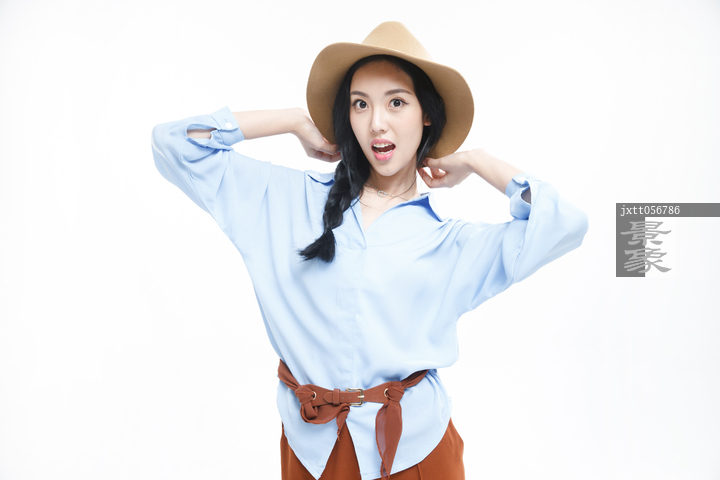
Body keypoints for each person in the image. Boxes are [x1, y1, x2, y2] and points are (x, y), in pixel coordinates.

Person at [151, 21, 588, 480]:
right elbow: (173, 143)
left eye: (396, 102)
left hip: (414, 452)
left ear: (426, 115)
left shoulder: (452, 243)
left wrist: (477, 161)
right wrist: (292, 121)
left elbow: (565, 224)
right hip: (311, 447)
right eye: (360, 104)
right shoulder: (281, 200)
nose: (377, 121)